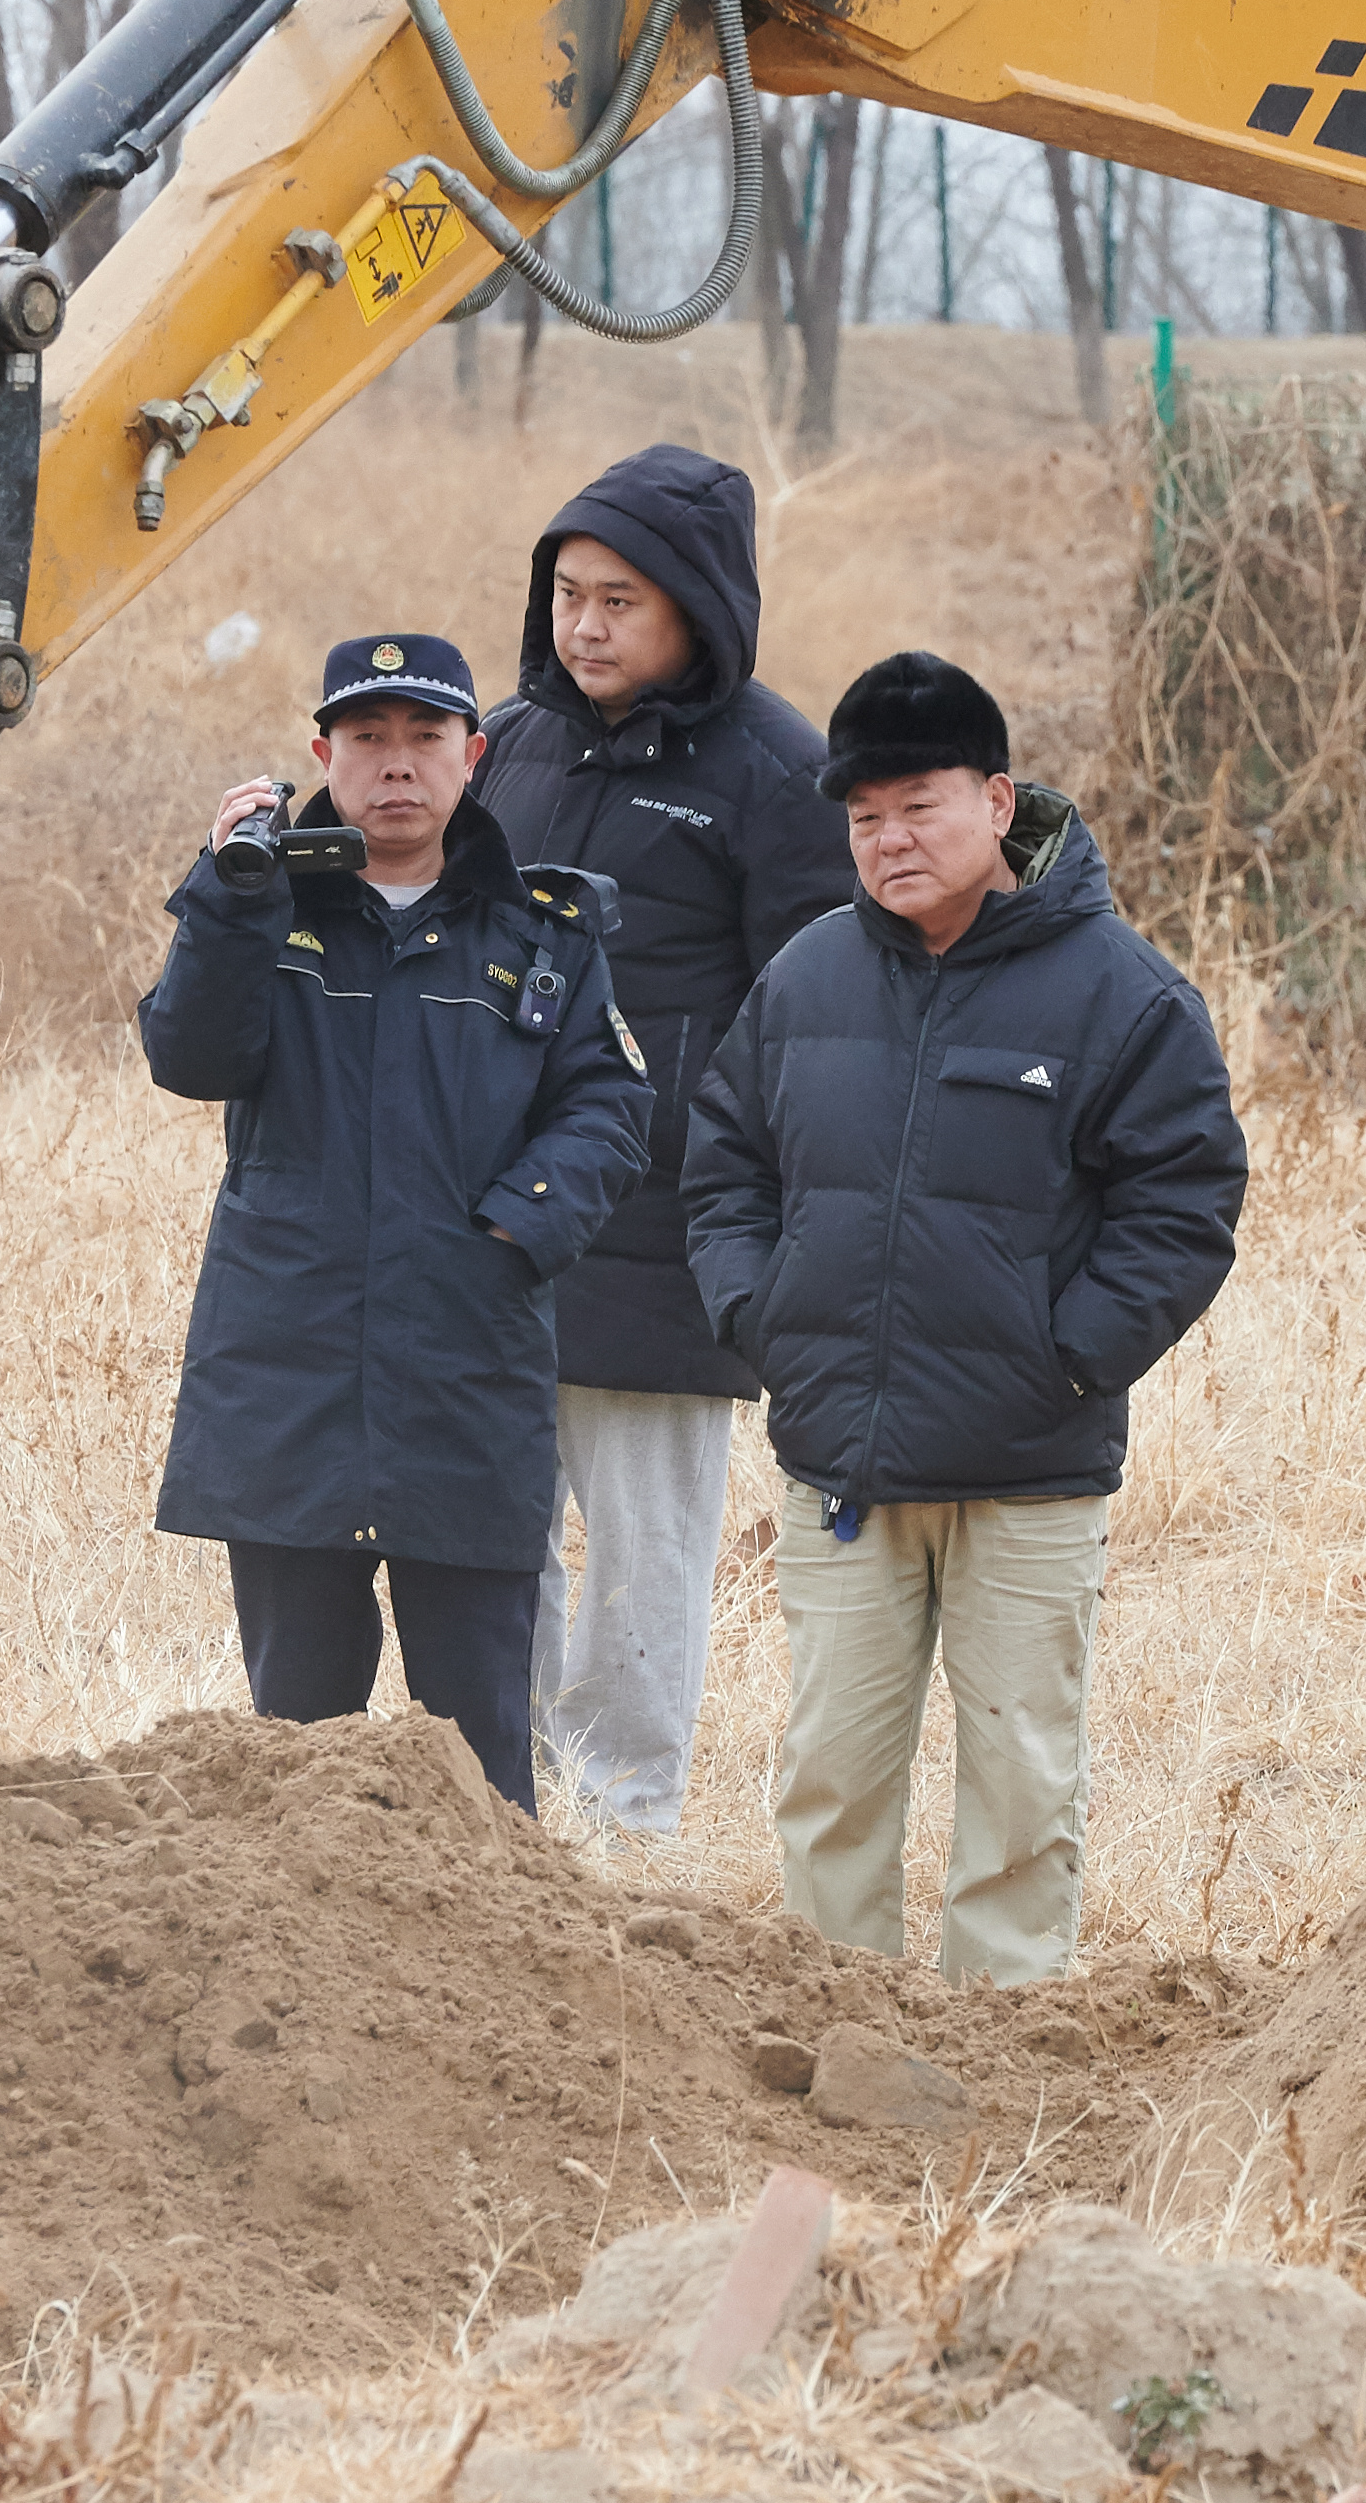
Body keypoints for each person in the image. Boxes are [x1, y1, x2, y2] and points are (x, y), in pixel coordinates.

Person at [684, 653, 1245, 1982]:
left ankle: (1004, 2047)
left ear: (998, 803)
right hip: (845, 1467)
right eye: (866, 816)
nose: (890, 839)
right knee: (829, 1776)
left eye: (920, 805)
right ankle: (847, 2025)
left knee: (1018, 1782)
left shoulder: (1124, 993)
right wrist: (766, 1322)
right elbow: (724, 1164)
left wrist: (1066, 1359)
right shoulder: (806, 981)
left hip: (1028, 1469)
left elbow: (1186, 1197)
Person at [145, 630, 656, 1811]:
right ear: (321, 755)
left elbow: (611, 1105)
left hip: (464, 1368)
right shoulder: (262, 906)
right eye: (366, 738)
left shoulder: (544, 933)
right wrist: (228, 897)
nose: (396, 765)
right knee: (294, 1747)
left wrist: (513, 1231)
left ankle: (487, 1980)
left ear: (472, 756)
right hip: (288, 1372)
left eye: (424, 737)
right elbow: (190, 1054)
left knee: (476, 1758)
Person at [475, 444, 850, 1836]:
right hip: (500, 1215)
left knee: (643, 1553)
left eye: (619, 600)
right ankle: (498, 1807)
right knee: (490, 1527)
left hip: (664, 1229)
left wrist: (761, 1214)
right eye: (568, 594)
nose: (583, 626)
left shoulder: (777, 772)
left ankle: (624, 1816)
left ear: (695, 606)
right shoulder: (508, 746)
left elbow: (813, 1022)